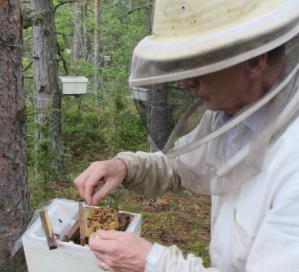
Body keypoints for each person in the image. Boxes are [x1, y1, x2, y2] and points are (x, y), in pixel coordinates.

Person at [74, 1, 299, 271]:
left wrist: (153, 262)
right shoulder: (230, 111)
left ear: (253, 61)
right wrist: (126, 166)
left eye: (197, 64)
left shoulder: (292, 161)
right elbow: (181, 164)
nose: (185, 82)